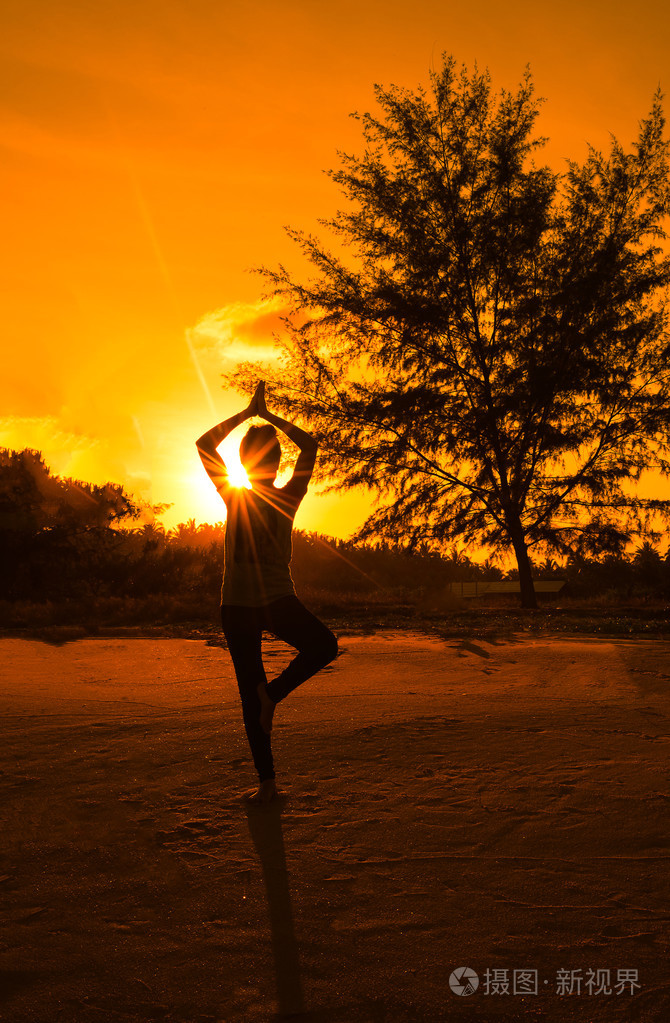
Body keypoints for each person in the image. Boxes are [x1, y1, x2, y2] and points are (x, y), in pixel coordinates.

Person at [196, 381, 338, 804]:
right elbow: (310, 446)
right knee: (323, 647)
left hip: (238, 604)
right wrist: (269, 416)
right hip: (273, 601)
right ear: (276, 463)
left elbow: (204, 444)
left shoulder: (232, 493)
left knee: (250, 692)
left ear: (242, 461)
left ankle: (267, 783)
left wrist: (248, 414)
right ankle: (272, 700)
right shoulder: (288, 496)